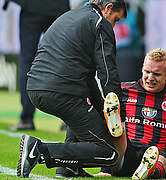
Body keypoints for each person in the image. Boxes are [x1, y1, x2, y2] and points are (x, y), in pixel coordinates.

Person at [16, 0, 127, 178]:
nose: (113, 25)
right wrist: (118, 114)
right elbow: (107, 72)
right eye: (116, 19)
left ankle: (68, 168)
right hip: (62, 91)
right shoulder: (100, 23)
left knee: (79, 115)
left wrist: (101, 111)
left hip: (36, 87)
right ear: (108, 9)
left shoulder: (69, 16)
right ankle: (40, 149)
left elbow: (89, 80)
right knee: (108, 153)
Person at [97, 48, 166, 179]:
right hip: (127, 151)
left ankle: (147, 170)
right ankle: (111, 166)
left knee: (161, 161)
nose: (150, 78)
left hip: (158, 154)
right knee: (118, 133)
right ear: (142, 68)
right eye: (147, 72)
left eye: (157, 74)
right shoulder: (123, 91)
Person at [6, 0, 70, 130]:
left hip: (32, 7)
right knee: (65, 62)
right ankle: (69, 120)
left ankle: (26, 119)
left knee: (27, 62)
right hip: (58, 9)